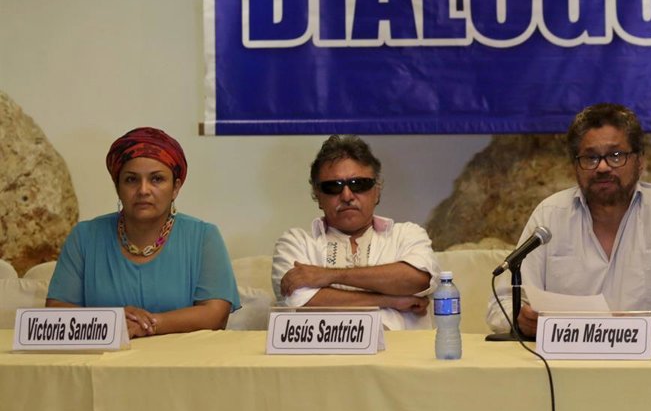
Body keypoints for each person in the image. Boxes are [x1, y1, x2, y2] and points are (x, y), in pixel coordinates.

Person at [485, 103, 651, 339]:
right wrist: (520, 319)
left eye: (615, 156)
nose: (603, 167)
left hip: (647, 355)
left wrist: (640, 330)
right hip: (564, 357)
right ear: (575, 166)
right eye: (590, 158)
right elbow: (501, 304)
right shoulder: (550, 214)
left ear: (640, 161)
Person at [46, 127, 240, 338]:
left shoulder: (203, 237)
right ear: (118, 187)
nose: (143, 190)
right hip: (105, 357)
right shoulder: (85, 237)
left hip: (183, 357)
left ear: (175, 188)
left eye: (157, 179)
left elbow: (215, 314)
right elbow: (56, 311)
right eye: (131, 180)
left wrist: (150, 324)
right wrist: (112, 320)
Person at [272, 135, 437, 330]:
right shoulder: (296, 242)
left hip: (402, 348)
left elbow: (417, 281)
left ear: (377, 190)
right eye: (333, 187)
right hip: (321, 349)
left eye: (359, 184)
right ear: (318, 195)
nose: (347, 196)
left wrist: (328, 276)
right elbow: (300, 302)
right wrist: (390, 300)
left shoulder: (407, 234)